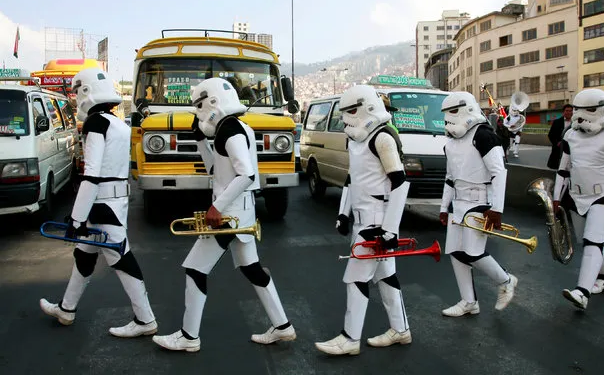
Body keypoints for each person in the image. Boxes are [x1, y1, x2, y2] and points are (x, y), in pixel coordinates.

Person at [152, 77, 295, 352]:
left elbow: (246, 174)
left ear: (214, 103)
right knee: (252, 270)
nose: (199, 113)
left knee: (194, 269)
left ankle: (188, 337)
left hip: (229, 215)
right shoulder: (234, 127)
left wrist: (217, 207)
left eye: (200, 107)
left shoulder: (229, 131)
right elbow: (216, 170)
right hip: (241, 212)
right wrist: (199, 140)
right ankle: (283, 326)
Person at [39, 68, 157, 337]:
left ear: (85, 91)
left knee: (122, 260)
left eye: (76, 90)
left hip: (102, 204)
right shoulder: (117, 123)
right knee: (84, 254)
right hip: (112, 201)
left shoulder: (95, 123)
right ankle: (67, 309)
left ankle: (145, 319)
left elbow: (91, 173)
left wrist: (77, 217)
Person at [315, 85, 411, 356]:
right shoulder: (357, 139)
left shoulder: (383, 138)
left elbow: (400, 183)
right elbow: (352, 179)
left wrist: (389, 230)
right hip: (363, 218)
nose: (346, 118)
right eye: (344, 113)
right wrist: (343, 214)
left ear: (367, 108)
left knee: (355, 279)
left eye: (351, 111)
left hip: (376, 223)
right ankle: (400, 330)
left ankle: (350, 338)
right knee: (386, 277)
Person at [439, 92, 518, 317]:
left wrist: (496, 209)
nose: (449, 118)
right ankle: (469, 301)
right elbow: (449, 178)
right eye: (446, 114)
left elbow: (499, 173)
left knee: (473, 253)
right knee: (455, 252)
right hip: (458, 202)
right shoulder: (452, 142)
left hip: (480, 201)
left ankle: (505, 280)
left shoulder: (484, 135)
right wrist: (444, 208)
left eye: (453, 112)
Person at [553, 89, 604, 310]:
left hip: (603, 195)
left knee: (593, 240)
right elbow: (563, 169)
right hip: (576, 195)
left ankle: (582, 292)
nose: (580, 115)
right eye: (577, 109)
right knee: (589, 241)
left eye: (587, 109)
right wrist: (556, 197)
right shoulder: (570, 135)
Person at [547, 104, 574, 170]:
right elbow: (551, 135)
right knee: (559, 168)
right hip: (559, 149)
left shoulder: (576, 122)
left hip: (573, 149)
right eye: (567, 111)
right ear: (563, 112)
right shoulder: (557, 122)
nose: (569, 112)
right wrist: (557, 143)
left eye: (570, 111)